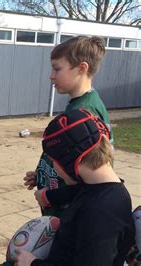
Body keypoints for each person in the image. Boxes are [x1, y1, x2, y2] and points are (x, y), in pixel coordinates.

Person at [14, 108, 135, 266]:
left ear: (70, 162)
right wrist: (49, 197)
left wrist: (32, 263)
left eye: (54, 161)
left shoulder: (101, 214)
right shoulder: (105, 189)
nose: (55, 169)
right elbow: (80, 191)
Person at [23, 36, 113, 217]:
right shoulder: (78, 105)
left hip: (69, 210)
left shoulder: (85, 112)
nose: (51, 75)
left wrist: (51, 196)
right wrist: (42, 175)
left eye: (57, 69)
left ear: (82, 68)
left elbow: (92, 179)